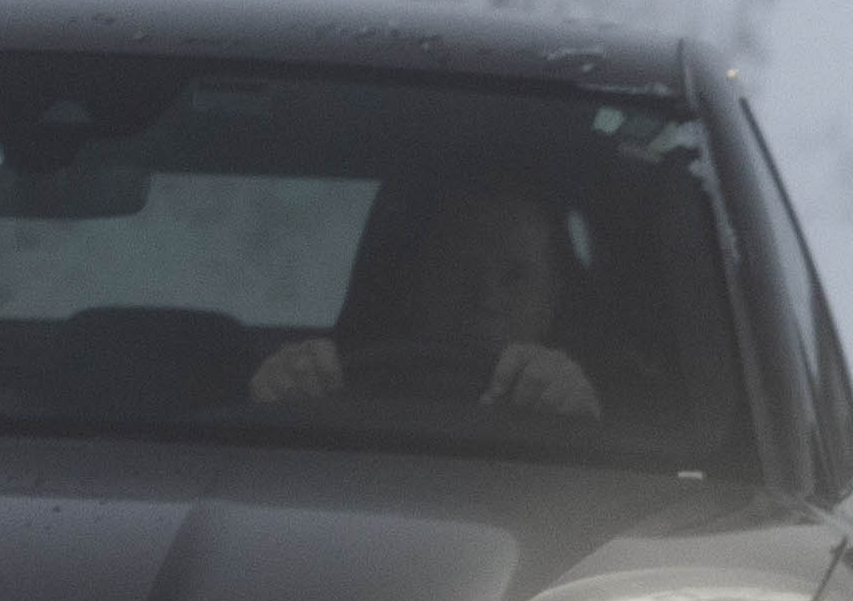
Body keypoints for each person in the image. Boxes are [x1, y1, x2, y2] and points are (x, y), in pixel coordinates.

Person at [253, 179, 604, 421]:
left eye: (515, 277)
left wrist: (576, 426)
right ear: (413, 286)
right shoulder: (323, 388)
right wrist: (279, 400)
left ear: (550, 300)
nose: (486, 298)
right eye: (457, 269)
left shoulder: (571, 407)